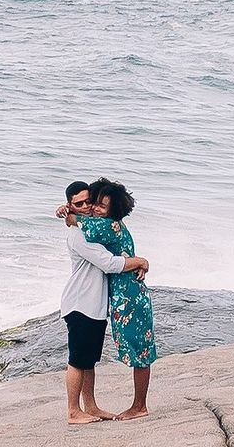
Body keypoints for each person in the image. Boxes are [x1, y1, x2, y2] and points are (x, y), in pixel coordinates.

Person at [59, 180, 149, 425]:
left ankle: (90, 406)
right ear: (70, 205)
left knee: (88, 360)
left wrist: (70, 214)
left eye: (91, 201)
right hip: (81, 303)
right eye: (80, 204)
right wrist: (139, 260)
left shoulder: (96, 228)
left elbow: (104, 230)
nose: (88, 207)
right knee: (78, 360)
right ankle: (73, 411)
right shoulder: (80, 235)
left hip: (94, 305)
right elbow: (109, 263)